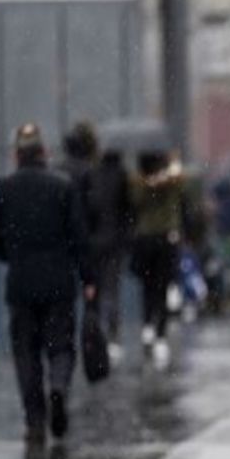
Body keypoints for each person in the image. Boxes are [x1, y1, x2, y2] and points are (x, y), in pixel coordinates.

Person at [0, 123, 93, 443]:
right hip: (59, 282)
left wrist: (10, 256)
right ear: (44, 153)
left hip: (21, 283)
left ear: (16, 155)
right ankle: (58, 387)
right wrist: (88, 279)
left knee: (26, 352)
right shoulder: (63, 187)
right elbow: (79, 237)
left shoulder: (2, 189)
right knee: (60, 346)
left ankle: (35, 420)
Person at [130, 150, 183, 369]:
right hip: (165, 237)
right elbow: (181, 183)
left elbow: (133, 203)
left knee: (148, 286)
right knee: (161, 286)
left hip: (144, 238)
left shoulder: (138, 183)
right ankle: (159, 334)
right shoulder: (170, 181)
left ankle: (148, 327)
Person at [84, 149, 133, 360]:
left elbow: (90, 207)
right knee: (113, 288)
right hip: (115, 242)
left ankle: (93, 334)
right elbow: (128, 210)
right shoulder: (122, 176)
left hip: (95, 242)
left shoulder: (94, 175)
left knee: (94, 289)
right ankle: (112, 336)